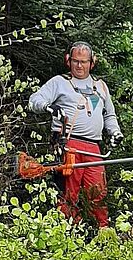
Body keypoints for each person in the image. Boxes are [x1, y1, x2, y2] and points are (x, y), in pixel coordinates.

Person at [28, 41, 123, 227]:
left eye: (84, 62)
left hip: (95, 149)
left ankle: (103, 232)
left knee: (98, 194)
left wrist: (115, 132)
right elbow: (34, 100)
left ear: (92, 62)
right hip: (68, 146)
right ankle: (68, 234)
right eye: (76, 61)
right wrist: (49, 107)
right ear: (68, 61)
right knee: (67, 196)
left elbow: (109, 115)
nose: (79, 65)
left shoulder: (101, 86)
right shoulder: (59, 82)